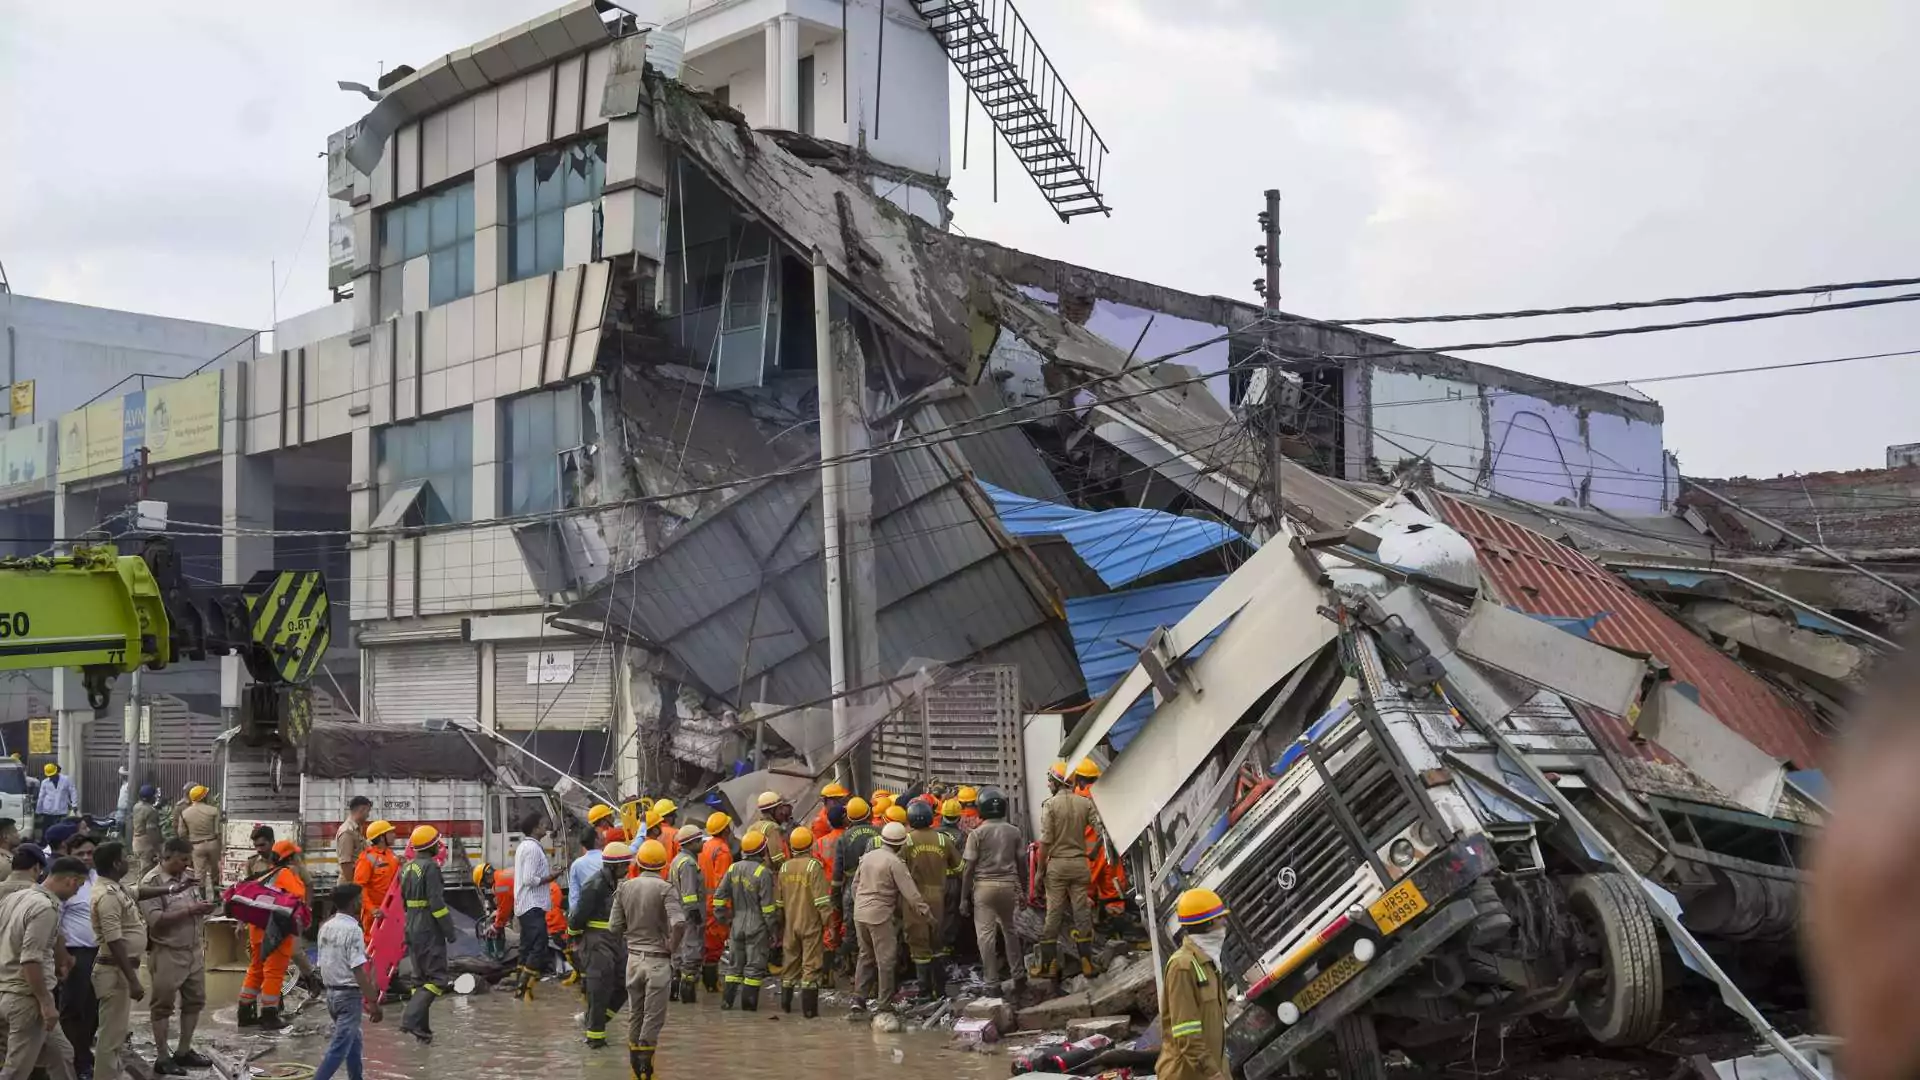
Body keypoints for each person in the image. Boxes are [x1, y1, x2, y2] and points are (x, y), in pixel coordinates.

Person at [0, 855, 90, 1080]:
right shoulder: (45, 907)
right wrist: (46, 1003)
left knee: (61, 1054)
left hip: (9, 990)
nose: (76, 893)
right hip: (26, 998)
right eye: (78, 886)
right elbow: (31, 960)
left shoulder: (16, 897)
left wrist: (62, 957)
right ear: (71, 881)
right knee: (16, 1070)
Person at [608, 839, 683, 1080]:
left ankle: (634, 1071)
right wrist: (672, 944)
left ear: (638, 863)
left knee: (635, 1014)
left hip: (634, 960)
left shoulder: (624, 888)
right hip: (658, 961)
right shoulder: (666, 889)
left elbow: (613, 927)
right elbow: (679, 922)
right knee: (653, 1018)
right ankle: (646, 1072)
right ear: (663, 865)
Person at [140, 838, 214, 1076]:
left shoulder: (188, 876)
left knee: (195, 1001)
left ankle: (183, 1051)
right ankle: (162, 1057)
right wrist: (191, 910)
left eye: (187, 859)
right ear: (168, 856)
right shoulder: (151, 883)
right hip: (167, 952)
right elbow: (156, 921)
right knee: (162, 1007)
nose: (186, 864)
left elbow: (194, 903)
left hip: (192, 950)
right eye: (182, 859)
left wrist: (202, 906)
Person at [850, 821, 930, 1014]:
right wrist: (926, 912)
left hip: (859, 913)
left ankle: (858, 999)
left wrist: (861, 904)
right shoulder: (895, 862)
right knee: (885, 959)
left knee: (865, 955)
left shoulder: (867, 857)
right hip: (879, 915)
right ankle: (884, 1003)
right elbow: (910, 893)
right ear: (900, 844)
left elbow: (854, 886)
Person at [1156, 889, 1230, 1080]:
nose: (1225, 923)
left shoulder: (1209, 963)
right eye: (1221, 918)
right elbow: (1186, 1034)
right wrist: (1213, 1074)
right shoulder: (1182, 967)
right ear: (1209, 923)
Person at [238, 840, 310, 1030]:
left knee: (256, 969)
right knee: (273, 972)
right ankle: (269, 1015)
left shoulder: (266, 874)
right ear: (291, 857)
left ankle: (245, 1012)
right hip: (275, 932)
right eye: (296, 855)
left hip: (257, 930)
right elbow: (295, 901)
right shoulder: (286, 875)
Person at [1037, 760, 1097, 983]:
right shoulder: (1085, 804)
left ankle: (1048, 965)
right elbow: (1102, 831)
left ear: (1055, 781)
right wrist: (1091, 852)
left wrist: (1039, 872)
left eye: (1049, 780)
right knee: (1081, 912)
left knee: (1053, 913)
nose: (1048, 783)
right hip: (1080, 864)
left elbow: (1045, 842)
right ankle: (1087, 962)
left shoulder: (1050, 805)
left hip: (1058, 866)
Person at [313, 883, 381, 1080]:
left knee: (354, 1041)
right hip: (348, 996)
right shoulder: (353, 930)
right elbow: (358, 970)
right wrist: (373, 1002)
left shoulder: (325, 927)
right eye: (360, 899)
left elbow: (325, 962)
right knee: (339, 1049)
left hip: (331, 996)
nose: (362, 903)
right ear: (353, 903)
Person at [90, 841, 146, 1080]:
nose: (128, 861)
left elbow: (139, 892)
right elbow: (115, 941)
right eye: (125, 857)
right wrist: (133, 981)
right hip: (114, 973)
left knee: (115, 1033)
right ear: (116, 863)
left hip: (118, 971)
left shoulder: (115, 888)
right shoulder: (107, 896)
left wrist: (173, 889)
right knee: (110, 1037)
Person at [568, 840, 632, 1048]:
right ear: (614, 866)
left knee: (624, 982)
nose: (628, 868)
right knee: (600, 988)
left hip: (614, 938)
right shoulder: (594, 885)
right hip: (596, 940)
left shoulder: (615, 883)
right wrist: (576, 941)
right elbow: (577, 918)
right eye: (624, 865)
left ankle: (593, 1021)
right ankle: (595, 1041)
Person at [962, 788, 1027, 990]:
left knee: (986, 936)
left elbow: (969, 868)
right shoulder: (1014, 831)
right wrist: (1023, 890)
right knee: (1010, 930)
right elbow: (1022, 864)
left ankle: (992, 983)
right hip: (1009, 886)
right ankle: (1018, 975)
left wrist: (964, 898)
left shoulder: (976, 834)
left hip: (984, 888)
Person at [397, 826, 454, 1043]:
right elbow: (437, 904)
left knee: (419, 979)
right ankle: (410, 1018)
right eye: (437, 843)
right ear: (432, 846)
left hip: (411, 924)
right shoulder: (430, 868)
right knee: (438, 979)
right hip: (428, 927)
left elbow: (402, 900)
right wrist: (449, 931)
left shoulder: (408, 868)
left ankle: (422, 1031)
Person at [903, 800, 961, 997]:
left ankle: (924, 992)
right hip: (939, 896)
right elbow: (960, 868)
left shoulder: (907, 841)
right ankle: (941, 990)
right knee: (937, 942)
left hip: (914, 898)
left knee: (919, 946)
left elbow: (899, 870)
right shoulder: (943, 840)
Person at [712, 829, 775, 1011]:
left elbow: (718, 897)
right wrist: (773, 931)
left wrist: (724, 919)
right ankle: (748, 1010)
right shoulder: (763, 873)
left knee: (734, 967)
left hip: (737, 925)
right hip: (757, 926)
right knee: (754, 969)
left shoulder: (733, 868)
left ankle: (727, 1003)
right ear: (762, 851)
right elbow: (768, 909)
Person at [775, 826, 830, 1017]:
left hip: (790, 925)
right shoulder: (813, 867)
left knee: (789, 966)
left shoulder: (784, 867)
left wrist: (781, 925)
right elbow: (822, 901)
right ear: (810, 844)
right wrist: (828, 923)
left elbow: (779, 902)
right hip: (810, 924)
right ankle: (809, 1012)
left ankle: (786, 1007)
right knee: (811, 967)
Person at [57, 833, 100, 1076]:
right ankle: (74, 1060)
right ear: (69, 855)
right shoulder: (65, 883)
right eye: (80, 853)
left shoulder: (98, 879)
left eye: (90, 853)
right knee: (73, 1008)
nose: (86, 857)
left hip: (99, 952)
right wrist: (62, 957)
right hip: (75, 953)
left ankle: (84, 1053)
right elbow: (56, 922)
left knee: (93, 1008)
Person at [510, 813, 557, 998]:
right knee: (539, 945)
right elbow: (529, 879)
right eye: (542, 824)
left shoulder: (527, 846)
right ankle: (523, 988)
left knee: (527, 946)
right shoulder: (532, 849)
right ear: (535, 828)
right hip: (532, 905)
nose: (545, 827)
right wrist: (551, 877)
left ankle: (519, 987)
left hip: (527, 904)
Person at [832, 797, 877, 976]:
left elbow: (837, 874)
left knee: (852, 930)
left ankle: (854, 972)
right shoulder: (879, 832)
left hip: (851, 889)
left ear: (849, 817)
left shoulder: (844, 838)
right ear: (868, 813)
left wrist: (835, 898)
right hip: (875, 885)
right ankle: (875, 976)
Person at [666, 823, 705, 1003]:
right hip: (688, 915)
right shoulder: (689, 864)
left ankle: (673, 993)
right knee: (691, 956)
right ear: (690, 843)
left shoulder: (676, 860)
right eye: (699, 841)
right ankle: (688, 998)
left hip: (676, 914)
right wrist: (695, 913)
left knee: (678, 955)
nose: (702, 843)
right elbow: (689, 893)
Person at [696, 812, 732, 993]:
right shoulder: (723, 851)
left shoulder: (705, 846)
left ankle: (705, 980)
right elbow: (722, 881)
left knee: (705, 942)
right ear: (725, 829)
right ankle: (711, 983)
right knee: (715, 944)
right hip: (716, 903)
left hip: (703, 902)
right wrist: (724, 907)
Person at [352, 821, 399, 942]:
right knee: (373, 945)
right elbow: (359, 887)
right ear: (382, 837)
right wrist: (372, 909)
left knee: (391, 946)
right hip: (374, 913)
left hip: (391, 910)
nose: (394, 835)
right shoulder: (366, 858)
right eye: (390, 833)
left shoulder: (391, 855)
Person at [177, 787, 221, 900]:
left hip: (196, 845)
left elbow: (181, 833)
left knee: (199, 873)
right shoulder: (213, 810)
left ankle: (203, 900)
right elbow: (217, 831)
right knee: (215, 871)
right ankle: (216, 898)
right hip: (212, 843)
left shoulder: (185, 813)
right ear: (204, 796)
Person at [746, 792, 793, 871]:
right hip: (772, 874)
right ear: (772, 810)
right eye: (779, 808)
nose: (782, 812)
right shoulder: (772, 828)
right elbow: (777, 858)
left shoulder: (751, 828)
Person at [567, 827, 604, 918]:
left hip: (586, 913)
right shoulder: (606, 859)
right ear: (596, 840)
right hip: (607, 911)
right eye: (600, 836)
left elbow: (574, 895)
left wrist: (573, 917)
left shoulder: (576, 864)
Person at [335, 797, 372, 883]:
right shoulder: (347, 831)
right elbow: (345, 863)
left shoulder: (356, 829)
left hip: (358, 880)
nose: (368, 815)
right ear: (361, 809)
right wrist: (352, 886)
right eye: (368, 811)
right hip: (350, 883)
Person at [34, 764, 75, 839]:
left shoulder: (66, 779)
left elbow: (73, 791)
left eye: (53, 775)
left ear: (57, 772)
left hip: (61, 810)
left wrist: (74, 804)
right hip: (48, 810)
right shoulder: (45, 782)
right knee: (47, 829)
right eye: (50, 776)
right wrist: (38, 811)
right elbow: (41, 797)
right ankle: (45, 843)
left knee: (61, 830)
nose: (52, 777)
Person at [128, 789, 162, 874]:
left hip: (136, 841)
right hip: (146, 843)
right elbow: (151, 830)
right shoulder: (151, 811)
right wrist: (157, 847)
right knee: (147, 871)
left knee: (142, 868)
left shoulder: (136, 806)